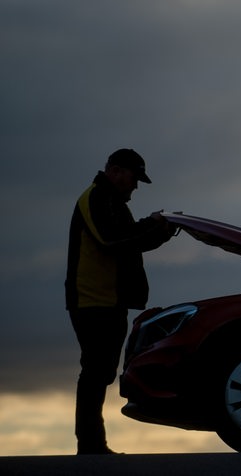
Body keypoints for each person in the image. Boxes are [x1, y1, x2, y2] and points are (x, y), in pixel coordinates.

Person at [64, 149, 174, 455]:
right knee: (95, 371)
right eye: (134, 178)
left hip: (110, 301)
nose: (135, 186)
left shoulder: (111, 202)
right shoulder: (96, 198)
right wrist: (153, 225)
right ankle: (90, 445)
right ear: (114, 171)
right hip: (91, 301)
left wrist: (161, 232)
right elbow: (112, 239)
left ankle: (91, 444)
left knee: (101, 372)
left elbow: (129, 240)